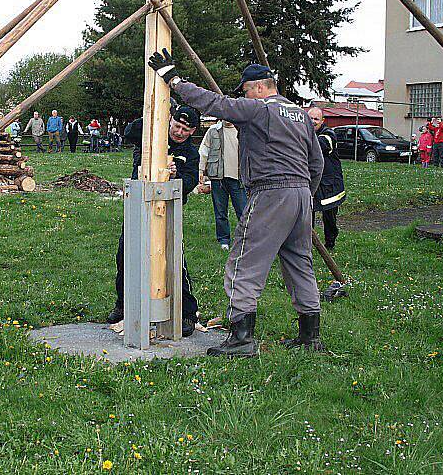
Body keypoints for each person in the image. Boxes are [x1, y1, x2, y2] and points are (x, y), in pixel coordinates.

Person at [149, 51, 325, 357]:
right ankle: (311, 336)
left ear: (258, 87)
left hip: (271, 193)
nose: (244, 95)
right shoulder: (299, 115)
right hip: (301, 196)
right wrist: (305, 194)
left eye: (245, 90)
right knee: (300, 263)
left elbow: (215, 104)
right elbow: (317, 163)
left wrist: (174, 79)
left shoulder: (260, 109)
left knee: (245, 261)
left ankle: (242, 337)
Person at [108, 103, 204, 337]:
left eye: (186, 129)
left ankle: (186, 312)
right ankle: (124, 305)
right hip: (138, 205)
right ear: (170, 120)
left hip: (168, 212)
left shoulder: (190, 154)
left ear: (192, 132)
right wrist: (152, 117)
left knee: (173, 260)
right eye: (177, 125)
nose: (179, 132)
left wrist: (175, 174)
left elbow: (190, 182)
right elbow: (129, 132)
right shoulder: (151, 133)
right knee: (126, 255)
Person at [198, 119, 247, 250]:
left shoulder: (243, 130)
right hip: (218, 178)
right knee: (220, 212)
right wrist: (200, 170)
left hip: (238, 179)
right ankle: (224, 240)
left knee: (243, 212)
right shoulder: (213, 131)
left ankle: (245, 239)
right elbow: (204, 151)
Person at [307, 107, 345, 250]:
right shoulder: (304, 134)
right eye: (310, 118)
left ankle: (330, 243)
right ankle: (307, 245)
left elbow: (321, 145)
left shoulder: (329, 135)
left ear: (322, 121)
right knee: (307, 215)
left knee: (329, 217)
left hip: (330, 185)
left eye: (316, 119)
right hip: (312, 182)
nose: (312, 122)